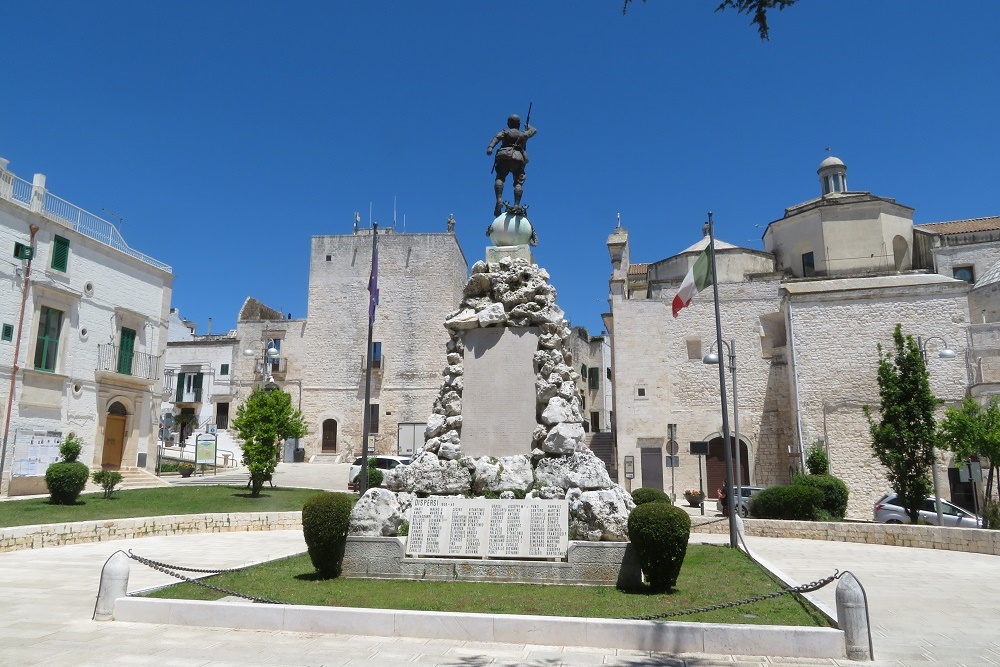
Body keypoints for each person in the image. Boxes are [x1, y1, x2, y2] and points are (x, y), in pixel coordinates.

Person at [487, 114, 537, 217]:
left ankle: (499, 199)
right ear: (518, 124)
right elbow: (534, 130)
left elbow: (496, 138)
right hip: (518, 158)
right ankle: (516, 205)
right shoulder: (523, 134)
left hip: (504, 156)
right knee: (518, 183)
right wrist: (528, 126)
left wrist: (490, 147)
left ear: (508, 124)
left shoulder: (505, 132)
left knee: (500, 177)